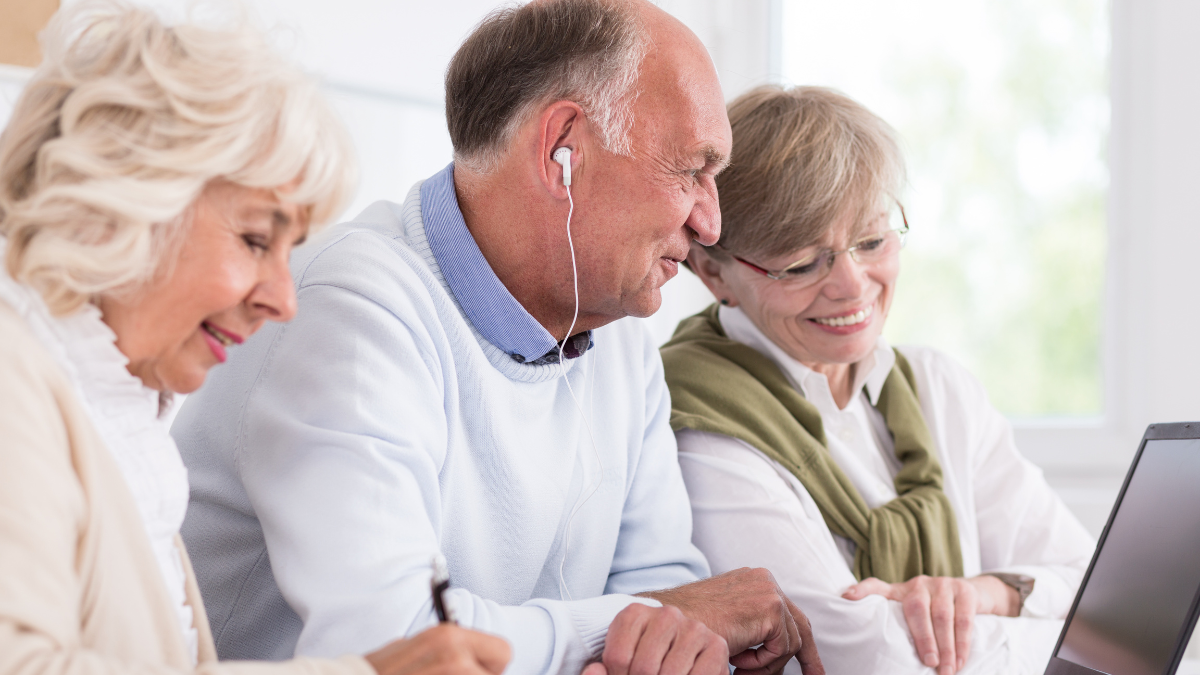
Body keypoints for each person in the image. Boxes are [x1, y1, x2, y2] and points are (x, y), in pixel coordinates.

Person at [172, 2, 824, 675]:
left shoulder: (617, 329)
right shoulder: (353, 307)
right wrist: (646, 622)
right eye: (691, 170)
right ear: (560, 149)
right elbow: (400, 642)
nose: (710, 224)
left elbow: (669, 591)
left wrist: (671, 627)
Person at [0, 4, 510, 675]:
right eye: (253, 240)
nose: (284, 299)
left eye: (288, 251)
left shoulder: (114, 414)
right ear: (120, 198)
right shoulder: (15, 378)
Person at [661, 85, 1097, 675]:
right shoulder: (695, 421)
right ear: (714, 273)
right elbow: (860, 659)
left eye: (871, 241)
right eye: (801, 262)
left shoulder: (938, 388)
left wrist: (990, 593)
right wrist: (1063, 639)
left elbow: (1100, 595)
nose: (851, 284)